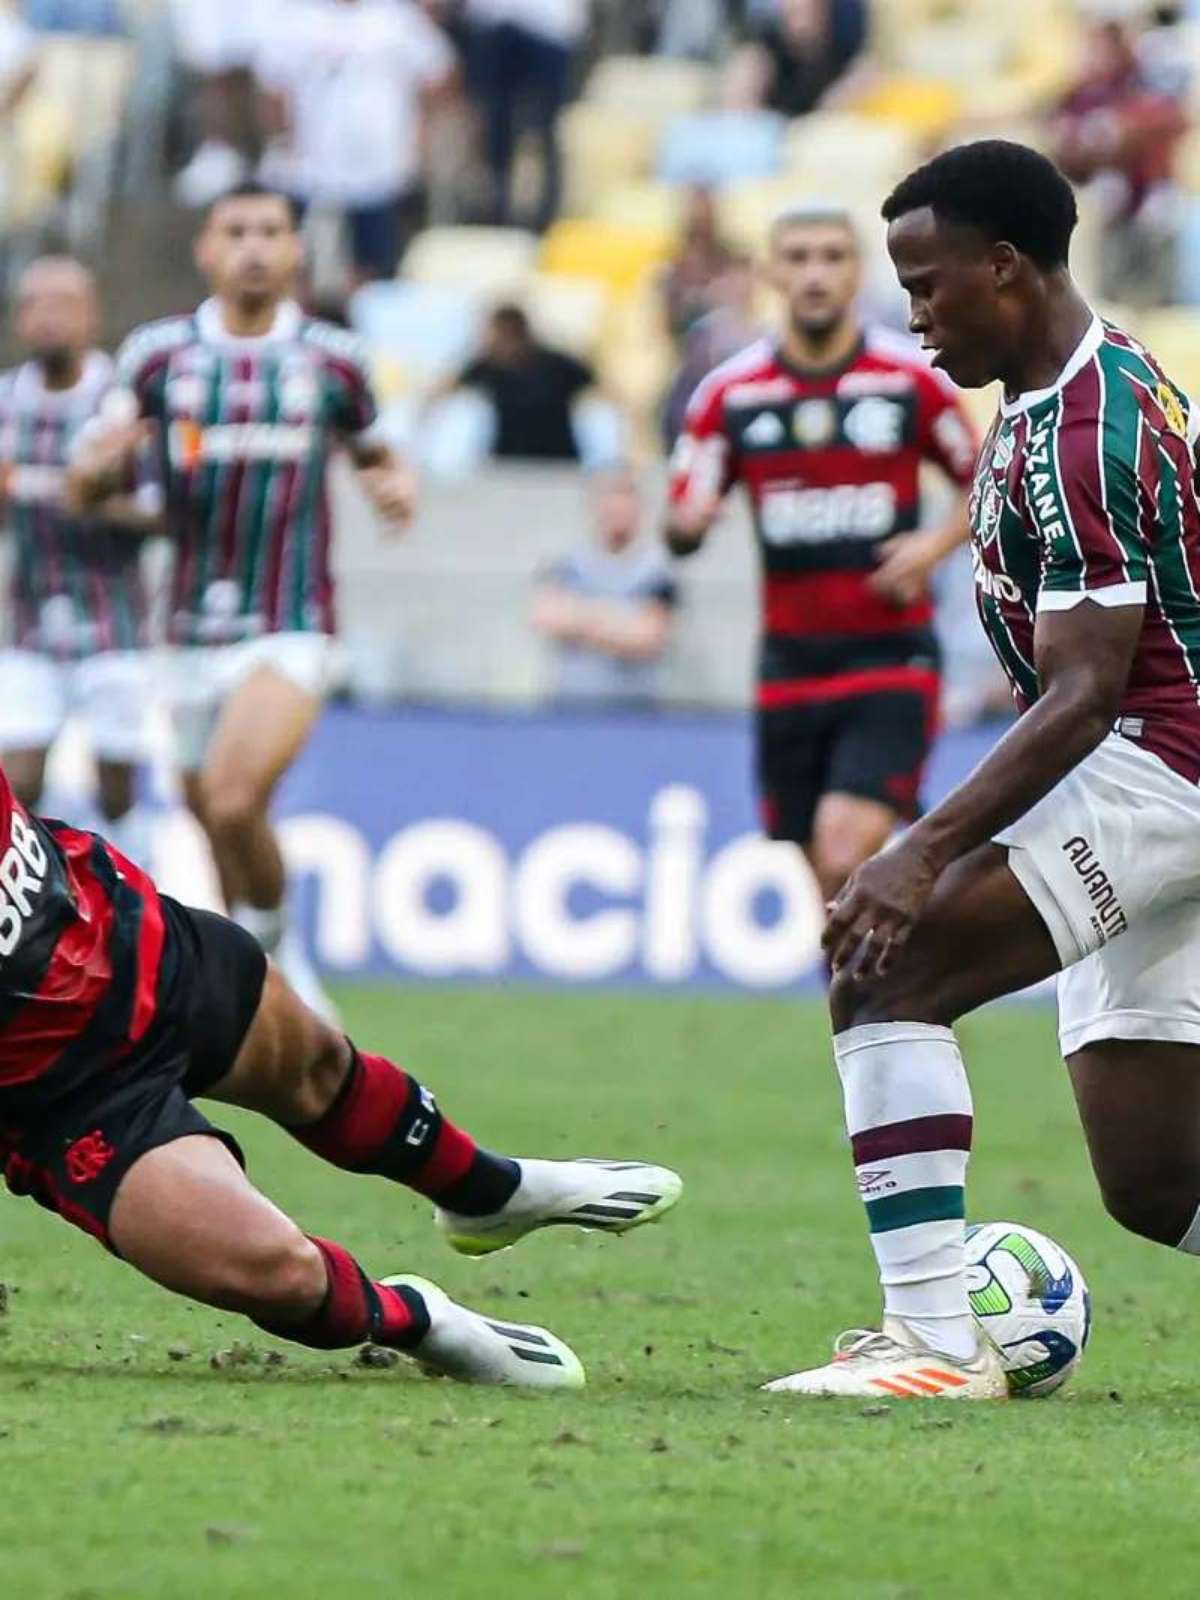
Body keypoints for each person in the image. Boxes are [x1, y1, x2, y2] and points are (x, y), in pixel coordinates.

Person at [765, 139, 1200, 1400]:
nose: (913, 315)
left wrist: (922, 847)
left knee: (885, 966)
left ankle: (934, 1346)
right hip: (1151, 770)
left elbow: (1085, 691)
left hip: (1158, 769)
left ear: (1005, 268)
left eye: (928, 282)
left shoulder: (1086, 429)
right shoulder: (1053, 392)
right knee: (1155, 1176)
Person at [0, 759, 682, 1384]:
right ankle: (421, 1319)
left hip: (128, 936)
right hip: (66, 1102)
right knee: (279, 1274)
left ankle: (488, 1192)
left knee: (319, 1070)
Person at [69, 182, 418, 1020]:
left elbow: (378, 452)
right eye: (238, 231)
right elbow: (87, 480)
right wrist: (103, 466)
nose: (255, 247)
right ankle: (262, 990)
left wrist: (394, 487)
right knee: (211, 818)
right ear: (207, 249)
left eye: (271, 231)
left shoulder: (333, 358)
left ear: (296, 249)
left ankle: (283, 953)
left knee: (233, 796)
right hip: (185, 629)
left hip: (292, 621)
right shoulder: (158, 355)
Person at [665, 203, 976, 909]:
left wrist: (932, 546)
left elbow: (991, 479)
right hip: (790, 665)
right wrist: (688, 521)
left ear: (858, 273)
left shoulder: (905, 380)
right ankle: (882, 1012)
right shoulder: (731, 394)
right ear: (771, 272)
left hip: (890, 655)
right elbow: (682, 519)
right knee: (830, 894)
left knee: (843, 853)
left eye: (832, 258)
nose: (815, 274)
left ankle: (916, 977)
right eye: (798, 257)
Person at [0, 257, 158, 867]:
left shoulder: (122, 407)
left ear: (92, 315)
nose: (49, 317)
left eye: (64, 303)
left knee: (117, 784)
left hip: (116, 621)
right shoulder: (7, 403)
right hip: (29, 621)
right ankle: (37, 917)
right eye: (36, 304)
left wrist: (92, 499)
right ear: (18, 318)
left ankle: (135, 898)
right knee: (19, 782)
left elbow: (165, 513)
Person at [256, 0, 457, 286]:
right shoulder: (294, 21)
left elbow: (438, 73)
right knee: (295, 256)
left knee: (375, 262)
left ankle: (364, 315)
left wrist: (420, 131)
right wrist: (284, 137)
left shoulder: (397, 19)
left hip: (380, 167)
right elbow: (272, 86)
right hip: (309, 165)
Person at [1047, 15, 1188, 307]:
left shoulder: (1141, 82)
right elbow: (1060, 138)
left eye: (1104, 49)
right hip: (1103, 202)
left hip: (1148, 199)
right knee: (1109, 292)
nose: (1096, 57)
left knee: (1154, 292)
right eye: (1092, 49)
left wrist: (1120, 130)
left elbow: (1171, 121)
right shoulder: (1078, 93)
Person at [532, 467, 678, 706]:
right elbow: (545, 617)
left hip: (634, 711)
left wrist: (580, 616)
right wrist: (620, 620)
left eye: (626, 499)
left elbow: (649, 637)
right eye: (611, 498)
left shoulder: (657, 570)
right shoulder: (568, 562)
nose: (618, 509)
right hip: (571, 707)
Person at [465, 0, 586, 231]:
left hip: (548, 31)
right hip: (496, 28)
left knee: (545, 131)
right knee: (495, 131)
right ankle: (494, 212)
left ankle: (546, 215)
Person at [444, 303, 598, 463]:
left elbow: (611, 394)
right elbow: (440, 392)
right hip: (507, 462)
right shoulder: (487, 366)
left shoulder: (559, 365)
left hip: (557, 463)